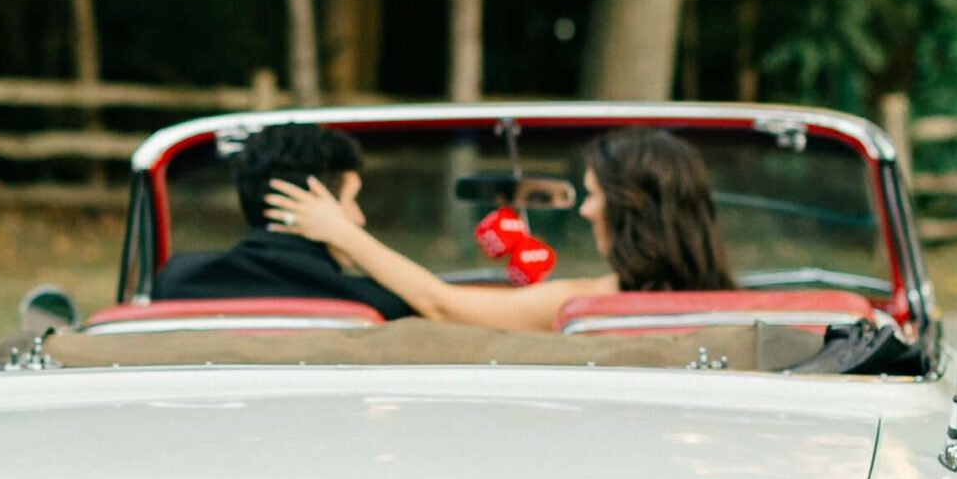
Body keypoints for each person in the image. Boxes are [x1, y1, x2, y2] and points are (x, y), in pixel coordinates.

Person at [262, 126, 734, 332]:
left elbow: (439, 304)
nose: (587, 211)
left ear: (630, 208)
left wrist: (342, 233)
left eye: (593, 196)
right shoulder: (742, 310)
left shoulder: (585, 306)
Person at [153, 121, 420, 319]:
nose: (359, 218)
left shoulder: (177, 282)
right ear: (316, 202)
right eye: (352, 200)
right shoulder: (380, 304)